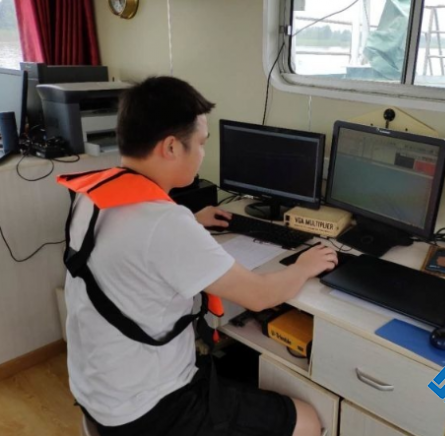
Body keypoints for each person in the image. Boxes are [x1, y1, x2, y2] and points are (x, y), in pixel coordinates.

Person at [57, 76, 338, 436]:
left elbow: (134, 242)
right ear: (172, 147)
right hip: (150, 409)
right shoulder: (165, 224)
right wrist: (304, 265)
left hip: (96, 390)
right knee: (308, 420)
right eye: (202, 143)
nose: (203, 153)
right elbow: (259, 295)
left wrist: (190, 219)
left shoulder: (94, 195)